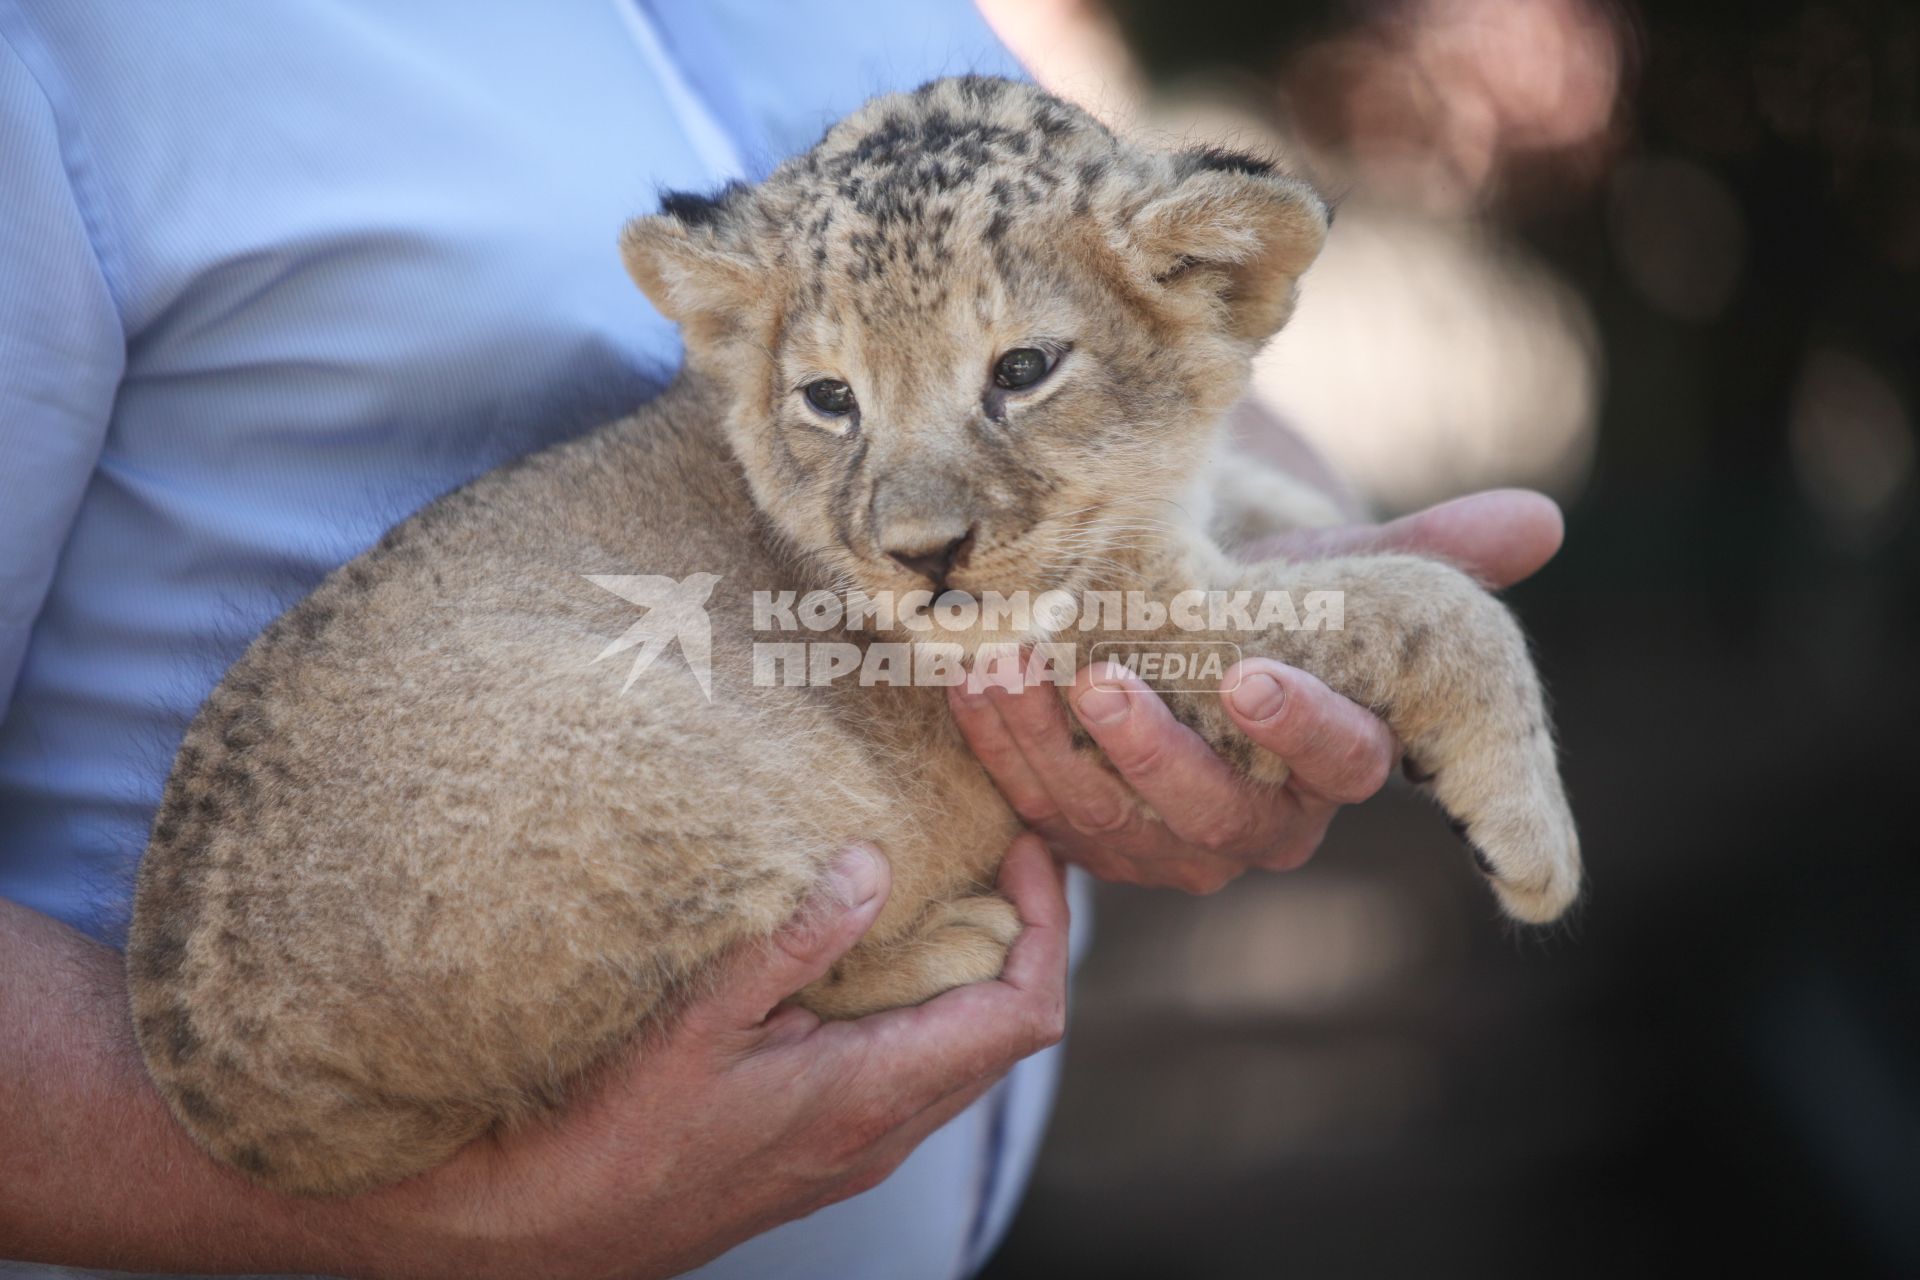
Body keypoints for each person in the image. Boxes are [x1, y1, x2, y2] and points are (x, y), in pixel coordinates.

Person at [0, 2, 1564, 1276]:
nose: (919, 524)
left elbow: (1166, 330)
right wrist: (430, 1228)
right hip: (399, 911)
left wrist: (1305, 551)